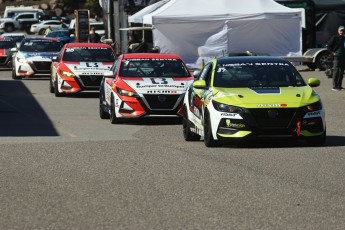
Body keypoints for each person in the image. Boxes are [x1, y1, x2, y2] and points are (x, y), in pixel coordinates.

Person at [327, 25, 345, 91]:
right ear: (338, 31)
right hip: (337, 57)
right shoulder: (335, 37)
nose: (342, 32)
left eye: (343, 30)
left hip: (343, 57)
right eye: (341, 30)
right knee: (336, 71)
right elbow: (328, 46)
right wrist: (332, 53)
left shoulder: (344, 38)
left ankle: (339, 86)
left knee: (341, 72)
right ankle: (334, 87)